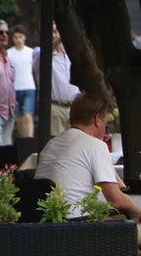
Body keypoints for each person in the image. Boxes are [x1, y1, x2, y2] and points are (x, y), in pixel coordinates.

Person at [36, 93, 141, 232]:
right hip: (79, 228)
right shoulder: (94, 145)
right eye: (106, 123)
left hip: (44, 226)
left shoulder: (51, 145)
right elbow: (115, 199)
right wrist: (138, 211)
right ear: (97, 119)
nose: (105, 128)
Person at [34, 23, 82, 138]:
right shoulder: (38, 53)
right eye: (52, 32)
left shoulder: (69, 54)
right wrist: (63, 35)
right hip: (54, 108)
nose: (54, 35)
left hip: (73, 107)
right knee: (55, 143)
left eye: (57, 31)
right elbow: (46, 51)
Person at [7, 25, 36, 138]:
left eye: (20, 37)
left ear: (25, 37)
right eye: (15, 37)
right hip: (14, 89)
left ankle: (29, 140)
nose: (18, 39)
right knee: (19, 119)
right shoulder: (8, 53)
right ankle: (22, 141)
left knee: (27, 116)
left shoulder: (31, 52)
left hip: (28, 87)